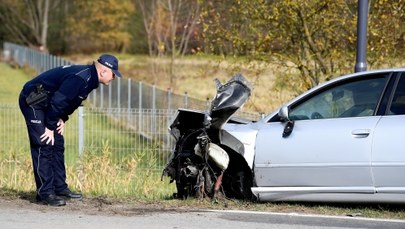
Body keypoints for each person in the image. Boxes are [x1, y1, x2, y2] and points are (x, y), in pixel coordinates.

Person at [18, 54, 122, 206]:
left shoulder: (90, 79)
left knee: (57, 143)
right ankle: (45, 194)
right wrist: (49, 126)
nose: (114, 78)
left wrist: (62, 118)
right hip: (33, 101)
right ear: (103, 71)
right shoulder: (80, 78)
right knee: (44, 143)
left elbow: (73, 100)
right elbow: (59, 100)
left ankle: (59, 189)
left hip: (48, 104)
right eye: (113, 74)